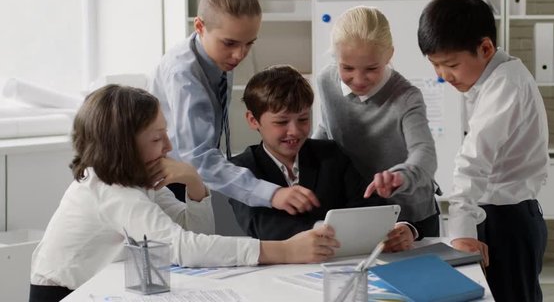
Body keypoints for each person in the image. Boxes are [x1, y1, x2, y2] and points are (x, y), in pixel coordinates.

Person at [29, 85, 339, 302]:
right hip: (65, 294)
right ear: (124, 145)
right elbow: (182, 247)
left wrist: (195, 184)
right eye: (156, 138)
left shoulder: (138, 178)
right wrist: (284, 251)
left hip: (100, 286)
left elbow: (193, 232)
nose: (167, 147)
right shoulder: (110, 189)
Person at [150, 0, 318, 215]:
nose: (240, 55)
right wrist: (271, 193)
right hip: (163, 179)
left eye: (249, 43)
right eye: (230, 43)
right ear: (199, 26)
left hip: (187, 174)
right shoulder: (183, 74)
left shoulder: (217, 57)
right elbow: (198, 157)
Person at [417, 0, 548, 302]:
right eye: (435, 65)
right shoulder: (488, 80)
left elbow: (472, 161)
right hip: (494, 213)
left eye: (450, 64)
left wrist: (461, 231)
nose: (443, 76)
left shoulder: (506, 85)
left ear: (486, 48)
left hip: (508, 220)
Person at [229, 65, 415, 252]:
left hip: (341, 263)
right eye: (281, 122)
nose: (294, 131)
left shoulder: (331, 155)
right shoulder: (241, 169)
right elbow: (263, 227)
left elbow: (368, 206)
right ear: (253, 120)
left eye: (303, 119)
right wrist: (327, 231)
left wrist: (402, 228)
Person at [313, 6, 440, 240]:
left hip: (411, 215)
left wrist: (400, 176)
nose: (359, 80)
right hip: (358, 209)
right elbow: (326, 129)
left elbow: (425, 153)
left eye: (371, 69)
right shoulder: (325, 81)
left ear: (389, 54)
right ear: (335, 57)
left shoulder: (406, 97)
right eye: (347, 68)